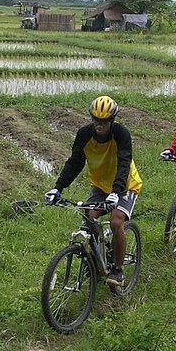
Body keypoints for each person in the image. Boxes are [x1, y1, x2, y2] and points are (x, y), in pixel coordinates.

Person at [45, 96, 143, 286]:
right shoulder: (84, 134)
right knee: (90, 218)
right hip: (99, 185)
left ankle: (117, 269)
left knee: (116, 222)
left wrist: (116, 191)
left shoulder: (121, 134)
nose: (100, 125)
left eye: (104, 121)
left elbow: (124, 162)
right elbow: (75, 162)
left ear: (112, 120)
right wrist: (58, 188)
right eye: (96, 120)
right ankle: (100, 259)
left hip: (125, 185)